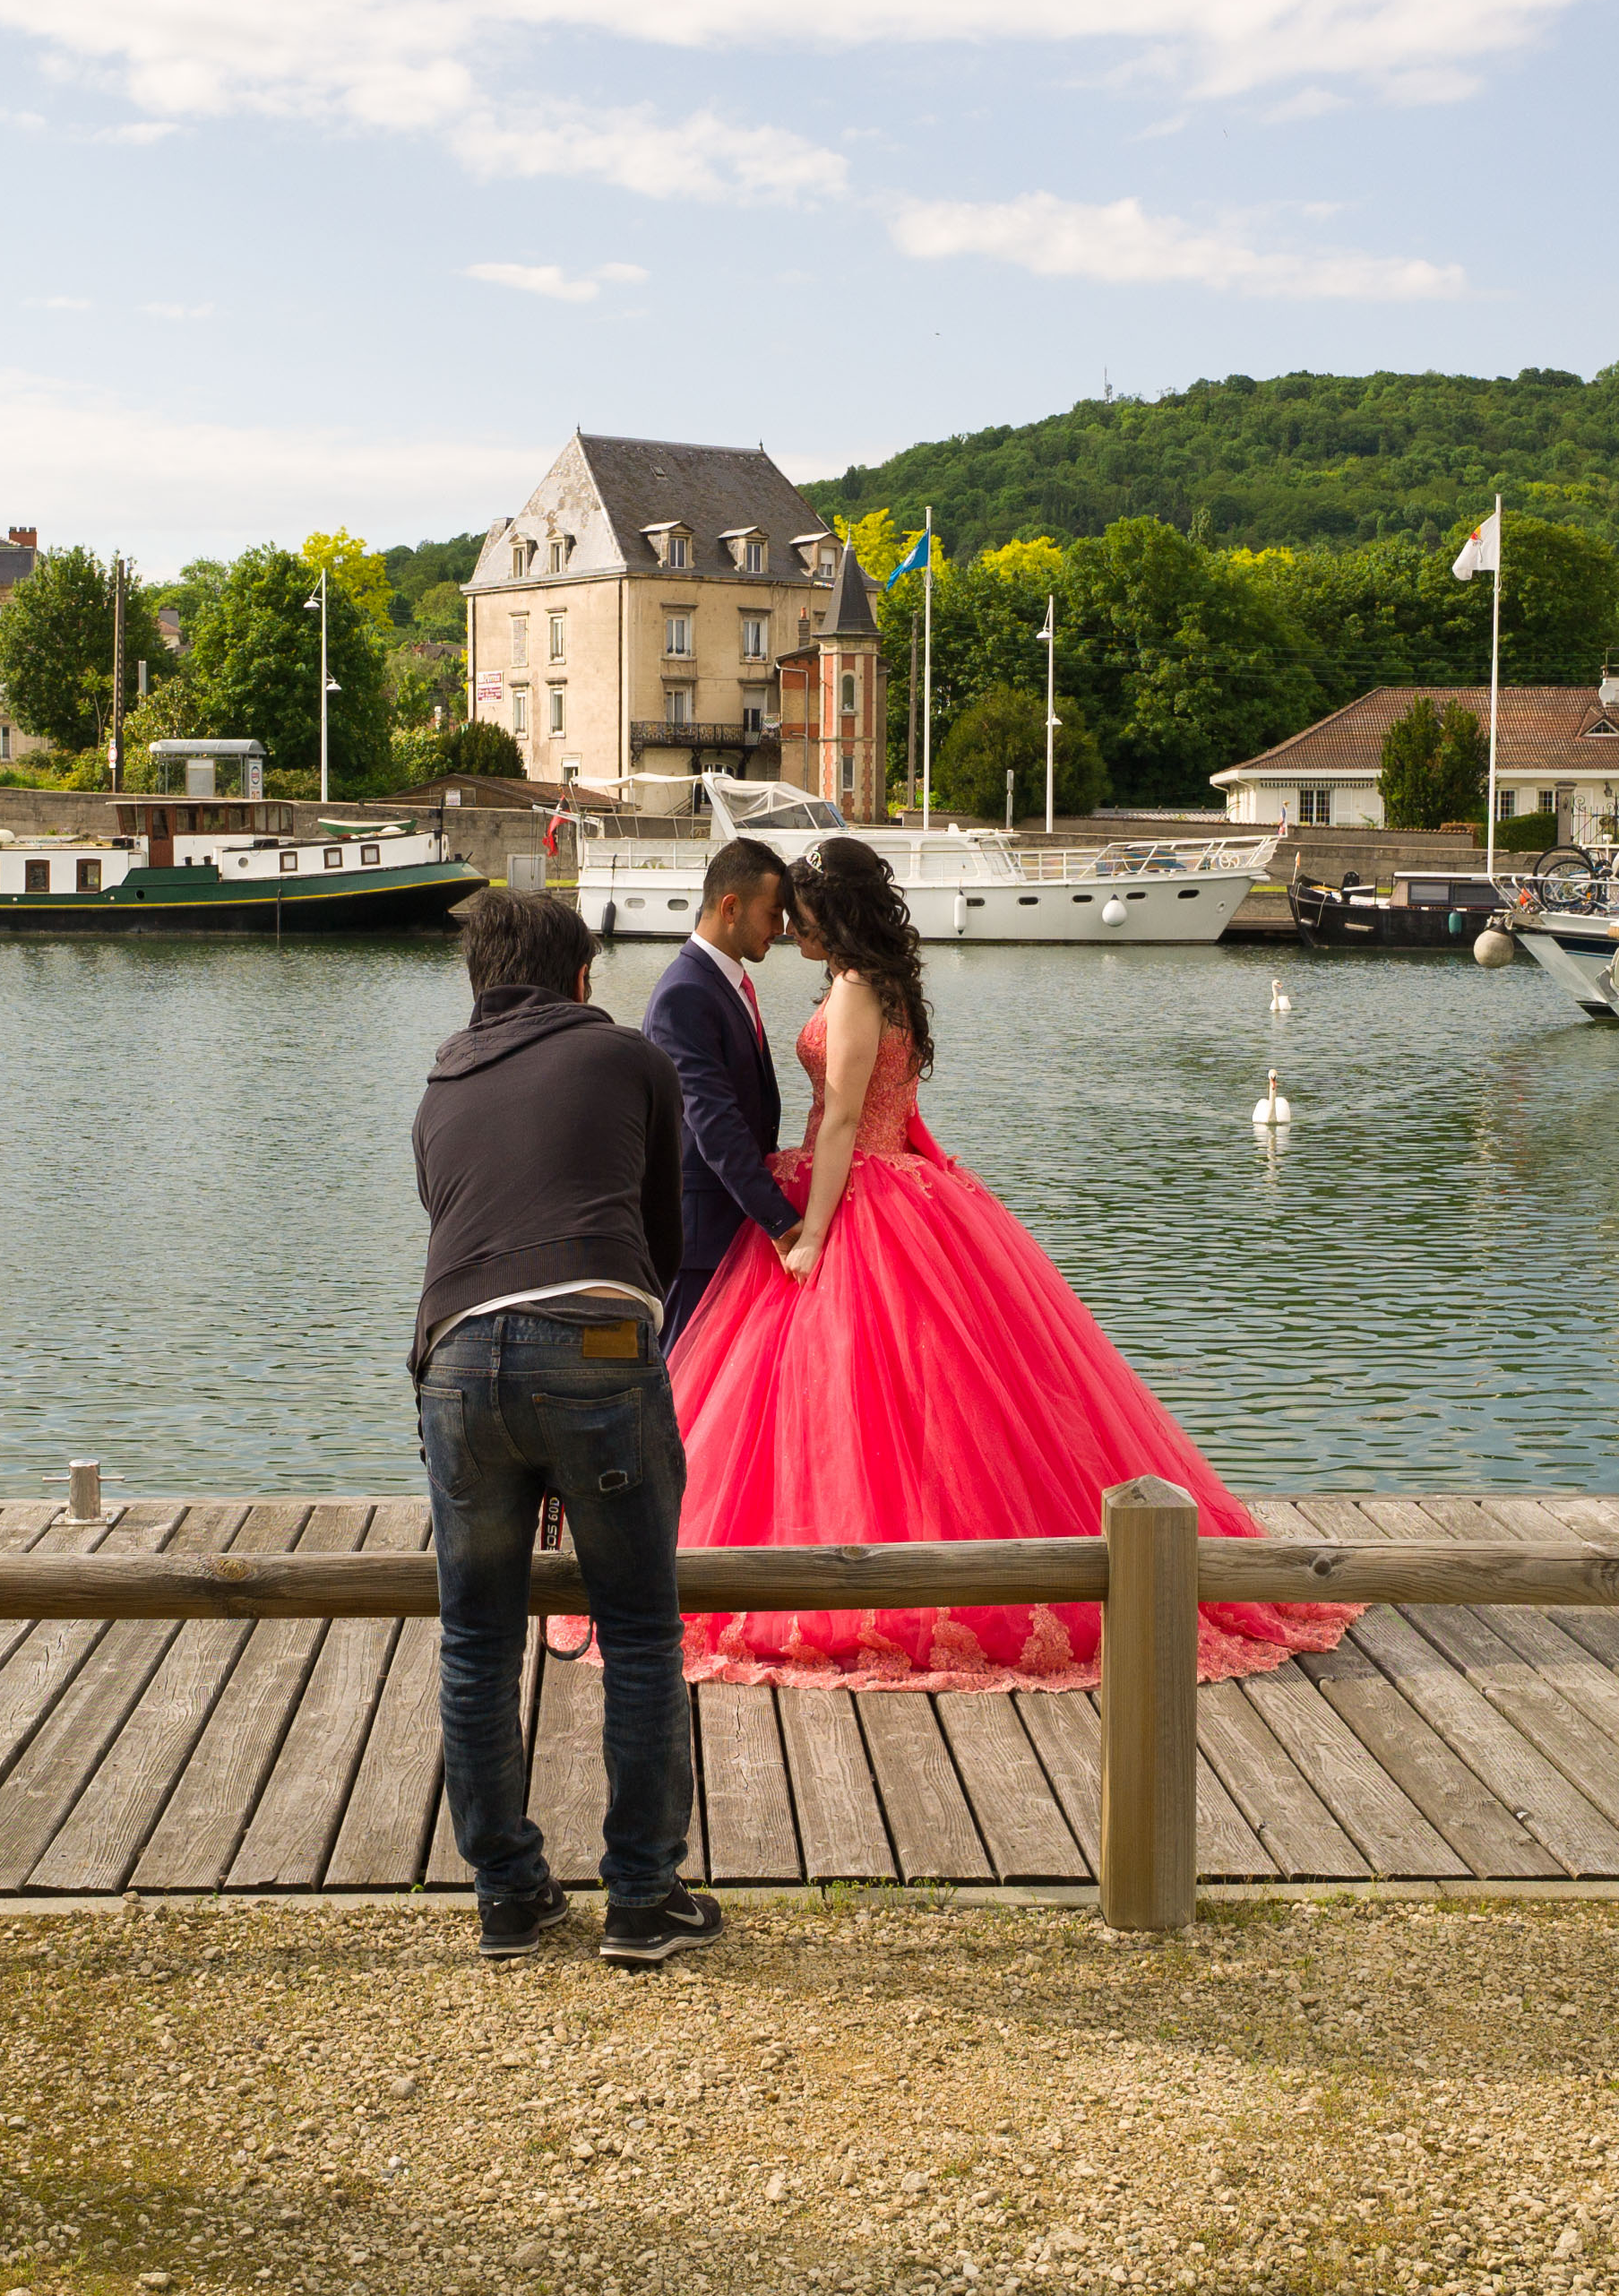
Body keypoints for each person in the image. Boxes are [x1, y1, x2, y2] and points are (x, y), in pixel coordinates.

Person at [662, 841, 1355, 1690]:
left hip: (854, 1192)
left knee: (858, 1394)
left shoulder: (853, 989)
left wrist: (809, 1232)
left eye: (803, 919)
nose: (793, 932)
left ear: (834, 920)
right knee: (913, 1395)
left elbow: (841, 1120)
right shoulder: (881, 985)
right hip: (895, 1185)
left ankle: (872, 1576)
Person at [409, 886, 726, 1968]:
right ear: (582, 977)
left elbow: (453, 1225)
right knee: (637, 1628)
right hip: (595, 1346)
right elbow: (664, 1237)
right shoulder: (630, 1058)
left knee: (475, 1638)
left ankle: (507, 1897)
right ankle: (641, 1898)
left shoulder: (441, 1082)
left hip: (455, 1360)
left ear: (479, 983)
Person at [642, 837, 803, 1348]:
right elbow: (714, 1122)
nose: (781, 928)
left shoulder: (720, 982)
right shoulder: (685, 993)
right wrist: (780, 1220)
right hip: (700, 1240)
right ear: (731, 908)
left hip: (729, 1228)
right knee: (685, 1379)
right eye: (773, 912)